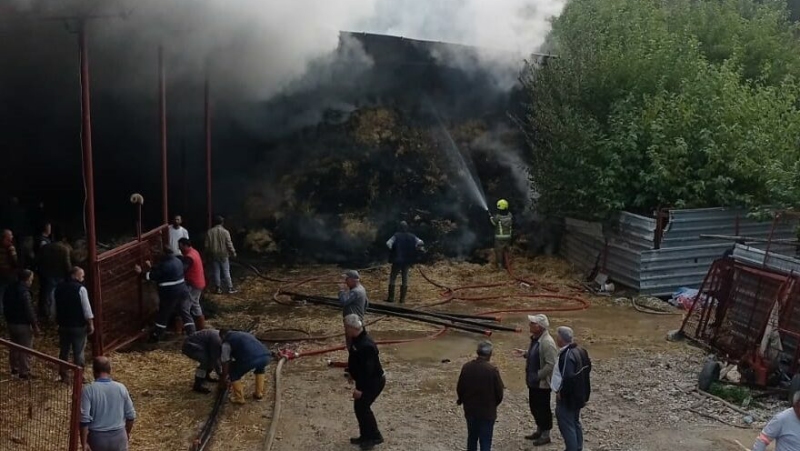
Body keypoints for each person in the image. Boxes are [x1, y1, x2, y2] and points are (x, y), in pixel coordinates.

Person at [512, 314, 557, 445]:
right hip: (533, 382)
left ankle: (545, 434)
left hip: (541, 384)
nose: (530, 325)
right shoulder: (536, 339)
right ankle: (539, 429)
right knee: (534, 407)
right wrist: (526, 353)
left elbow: (551, 364)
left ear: (540, 327)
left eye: (533, 323)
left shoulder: (547, 342)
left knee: (543, 409)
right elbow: (537, 354)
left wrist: (538, 375)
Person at [134, 248, 195, 341]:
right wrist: (152, 267)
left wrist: (140, 273)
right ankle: (192, 333)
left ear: (164, 255)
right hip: (183, 290)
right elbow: (163, 272)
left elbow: (152, 276)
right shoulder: (177, 261)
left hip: (170, 293)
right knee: (184, 312)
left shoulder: (165, 265)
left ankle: (156, 335)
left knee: (163, 314)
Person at [344, 314, 385, 450]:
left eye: (346, 328)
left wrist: (360, 389)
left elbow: (368, 371)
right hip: (367, 380)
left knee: (363, 408)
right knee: (359, 408)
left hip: (373, 382)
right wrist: (351, 372)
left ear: (352, 328)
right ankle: (365, 436)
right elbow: (356, 361)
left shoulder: (366, 345)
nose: (345, 330)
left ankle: (375, 436)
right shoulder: (357, 340)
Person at [80, 356, 136, 451]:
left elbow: (84, 420)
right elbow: (131, 415)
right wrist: (126, 433)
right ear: (110, 370)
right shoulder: (121, 388)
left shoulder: (88, 390)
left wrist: (84, 443)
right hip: (119, 436)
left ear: (94, 371)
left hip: (97, 438)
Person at [456, 341, 505, 451]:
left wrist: (462, 400)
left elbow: (460, 388)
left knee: (472, 438)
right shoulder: (492, 371)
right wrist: (493, 405)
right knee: (485, 440)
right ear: (490, 354)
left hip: (470, 410)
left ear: (477, 352)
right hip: (487, 412)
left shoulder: (466, 367)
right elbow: (499, 394)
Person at [551, 326, 592, 451]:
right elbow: (588, 368)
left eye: (557, 336)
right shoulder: (581, 350)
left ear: (561, 339)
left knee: (567, 426)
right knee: (575, 422)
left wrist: (561, 393)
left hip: (567, 399)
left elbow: (568, 377)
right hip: (580, 395)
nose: (556, 338)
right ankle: (578, 447)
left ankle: (572, 448)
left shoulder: (567, 355)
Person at [55, 266, 95, 382]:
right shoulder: (80, 289)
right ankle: (79, 376)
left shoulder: (59, 287)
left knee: (64, 350)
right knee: (78, 351)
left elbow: (54, 305)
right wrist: (91, 323)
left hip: (63, 324)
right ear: (74, 275)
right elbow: (86, 308)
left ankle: (64, 374)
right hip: (78, 325)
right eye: (81, 275)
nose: (83, 277)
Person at [219, 329, 272, 404]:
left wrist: (224, 377)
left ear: (222, 336)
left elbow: (225, 361)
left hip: (251, 359)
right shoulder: (244, 334)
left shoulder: (226, 342)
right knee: (260, 368)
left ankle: (239, 398)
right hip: (265, 356)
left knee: (233, 372)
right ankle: (259, 393)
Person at [4, 269, 39, 379]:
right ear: (27, 279)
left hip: (11, 322)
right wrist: (35, 325)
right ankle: (24, 372)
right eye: (31, 279)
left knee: (14, 347)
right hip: (23, 324)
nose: (32, 281)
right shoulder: (24, 292)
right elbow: (28, 309)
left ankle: (15, 368)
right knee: (25, 348)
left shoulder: (9, 288)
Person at [36, 233, 73, 321]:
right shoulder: (64, 249)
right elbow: (67, 264)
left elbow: (39, 260)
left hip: (47, 274)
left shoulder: (45, 248)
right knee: (59, 295)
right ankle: (58, 313)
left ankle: (46, 313)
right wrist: (69, 274)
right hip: (60, 275)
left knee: (47, 294)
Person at [385, 221, 424, 303]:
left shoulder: (396, 235)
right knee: (405, 278)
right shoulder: (412, 236)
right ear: (407, 228)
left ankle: (391, 298)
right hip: (407, 261)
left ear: (400, 227)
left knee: (393, 278)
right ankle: (402, 299)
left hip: (397, 260)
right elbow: (421, 242)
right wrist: (417, 248)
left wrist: (393, 250)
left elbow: (388, 244)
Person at [182, 328, 222, 394]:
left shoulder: (220, 337)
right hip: (190, 346)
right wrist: (221, 374)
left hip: (199, 345)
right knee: (205, 361)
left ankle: (206, 376)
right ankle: (198, 385)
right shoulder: (217, 340)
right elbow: (215, 358)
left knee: (210, 359)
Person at [178, 238, 207, 329]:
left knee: (184, 307)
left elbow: (182, 269)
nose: (179, 249)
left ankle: (187, 328)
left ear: (185, 245)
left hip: (193, 284)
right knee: (195, 303)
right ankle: (201, 325)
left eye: (180, 246)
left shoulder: (189, 257)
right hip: (200, 282)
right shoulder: (195, 252)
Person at [205, 215, 237, 294]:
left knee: (216, 271)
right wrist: (233, 252)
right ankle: (230, 288)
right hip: (223, 255)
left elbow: (206, 246)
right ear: (222, 223)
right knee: (226, 271)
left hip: (214, 255)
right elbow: (229, 244)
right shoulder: (225, 232)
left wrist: (207, 255)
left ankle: (218, 288)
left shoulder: (209, 232)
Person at [489, 199, 513, 270]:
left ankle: (500, 266)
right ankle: (507, 264)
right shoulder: (510, 215)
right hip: (508, 237)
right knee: (507, 250)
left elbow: (493, 223)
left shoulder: (498, 217)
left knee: (499, 251)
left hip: (499, 237)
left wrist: (490, 217)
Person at [0, 229, 18, 315]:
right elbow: (15, 261)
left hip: (1, 273)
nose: (12, 236)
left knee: (1, 293)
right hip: (9, 273)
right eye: (11, 235)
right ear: (6, 237)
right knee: (11, 293)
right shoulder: (10, 247)